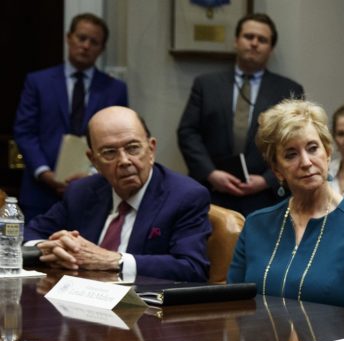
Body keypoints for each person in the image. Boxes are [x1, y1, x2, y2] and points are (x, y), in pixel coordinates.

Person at [228, 100, 344, 312]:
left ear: (328, 152)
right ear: (277, 170)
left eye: (313, 148)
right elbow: (231, 306)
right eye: (291, 154)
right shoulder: (255, 225)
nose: (305, 162)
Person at [26, 106, 211, 282]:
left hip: (144, 308)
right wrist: (49, 248)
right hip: (80, 302)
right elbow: (27, 233)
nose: (124, 161)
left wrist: (114, 260)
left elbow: (192, 267)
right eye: (109, 152)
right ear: (93, 160)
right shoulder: (81, 192)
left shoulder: (186, 196)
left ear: (151, 149)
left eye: (133, 148)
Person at [178, 13, 305, 216]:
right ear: (236, 41)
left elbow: (297, 143)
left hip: (265, 199)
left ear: (271, 49)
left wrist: (267, 180)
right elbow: (187, 132)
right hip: (211, 193)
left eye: (262, 40)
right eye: (249, 37)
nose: (254, 43)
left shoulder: (289, 90)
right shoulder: (206, 84)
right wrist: (211, 174)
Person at [14, 13, 129, 222]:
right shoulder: (38, 82)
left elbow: (118, 138)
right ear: (69, 38)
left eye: (93, 42)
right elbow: (24, 132)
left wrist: (92, 174)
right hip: (40, 191)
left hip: (93, 191)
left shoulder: (115, 89)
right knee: (34, 249)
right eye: (81, 38)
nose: (85, 46)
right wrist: (45, 173)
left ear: (102, 49)